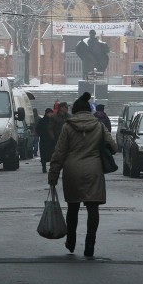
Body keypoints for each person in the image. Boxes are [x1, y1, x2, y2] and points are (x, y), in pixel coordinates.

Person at [47, 91, 118, 257]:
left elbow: (59, 153)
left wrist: (53, 176)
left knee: (73, 207)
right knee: (93, 208)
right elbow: (113, 147)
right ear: (89, 110)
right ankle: (90, 242)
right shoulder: (99, 126)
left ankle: (71, 240)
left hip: (72, 171)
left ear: (75, 111)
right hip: (94, 171)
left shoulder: (67, 127)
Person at [36, 108, 56, 173]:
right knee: (44, 154)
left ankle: (50, 168)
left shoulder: (52, 121)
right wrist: (41, 135)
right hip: (45, 140)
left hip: (50, 140)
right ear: (47, 113)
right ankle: (44, 167)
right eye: (50, 113)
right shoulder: (42, 121)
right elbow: (37, 129)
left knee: (50, 155)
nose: (51, 114)